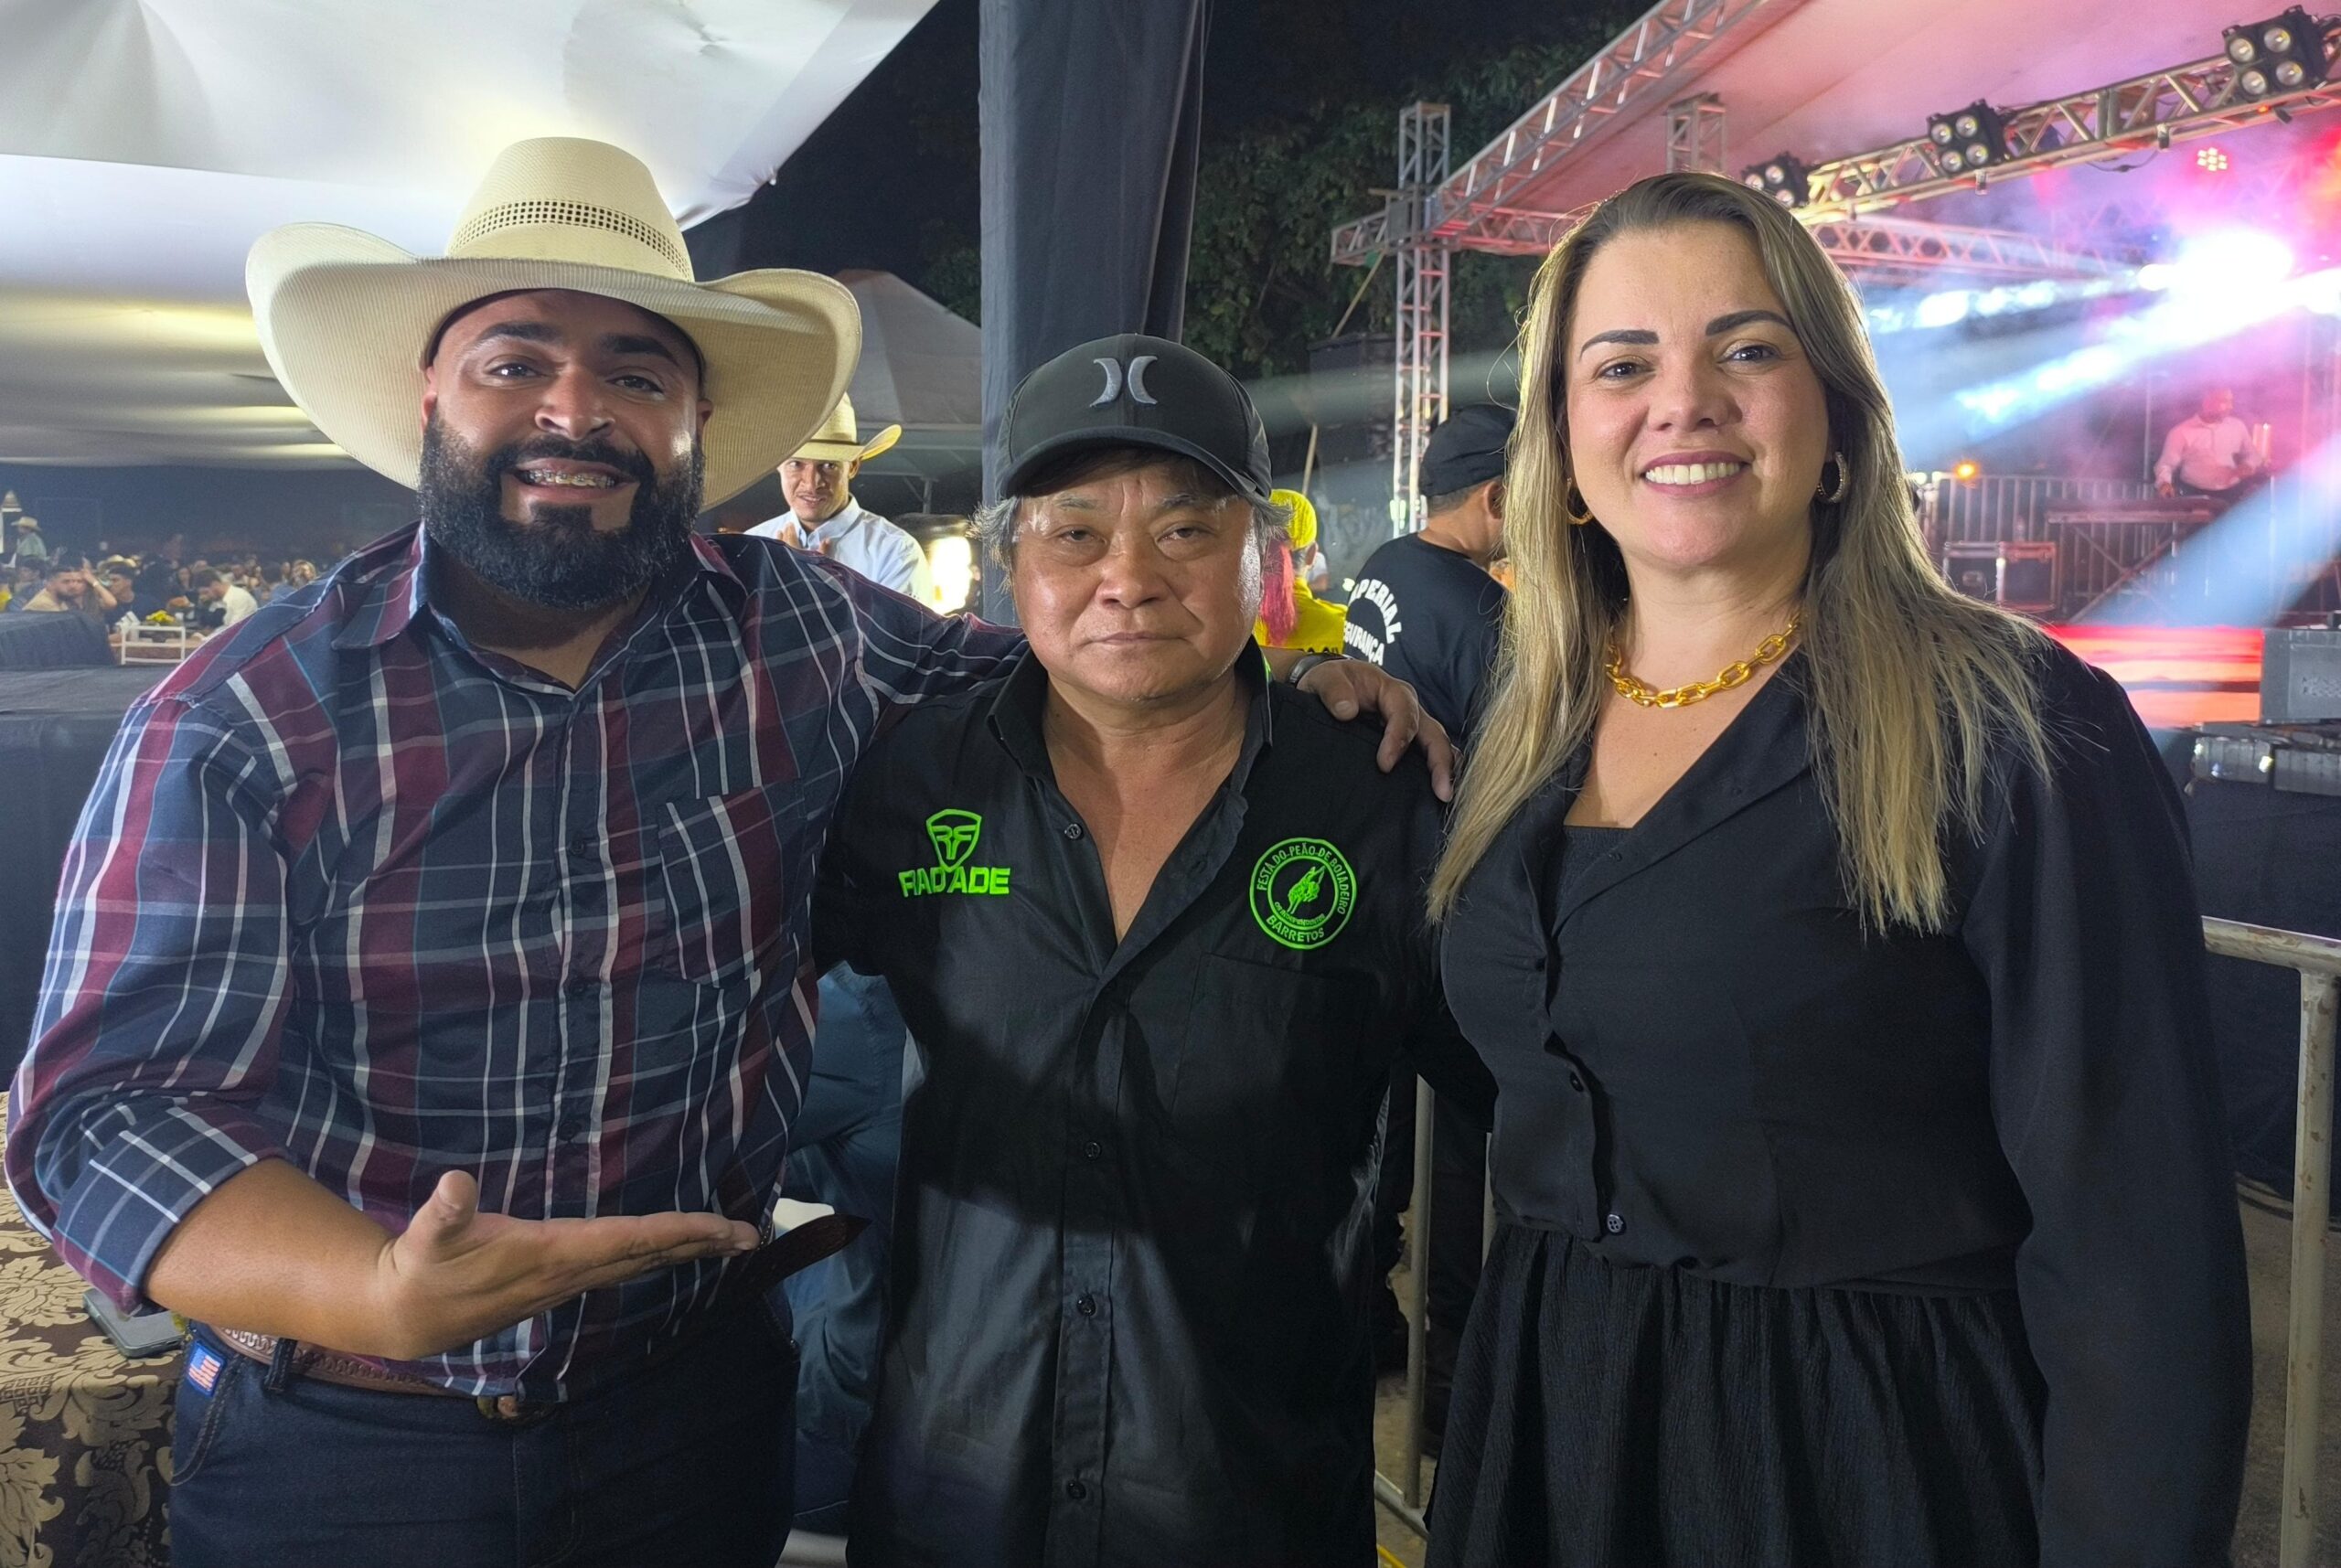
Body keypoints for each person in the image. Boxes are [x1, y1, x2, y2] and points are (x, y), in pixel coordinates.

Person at [7, 138, 1446, 1568]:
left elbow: (1085, 665)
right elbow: (99, 1116)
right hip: (358, 1441)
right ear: (429, 391)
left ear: (696, 420)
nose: (577, 409)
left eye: (636, 374)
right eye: (517, 361)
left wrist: (1307, 682)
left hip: (689, 1416)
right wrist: (377, 1288)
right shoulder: (248, 714)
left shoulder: (803, 630)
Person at [1425, 171, 2250, 1566]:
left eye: (1746, 348)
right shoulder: (1527, 720)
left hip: (1860, 1464)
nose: (1682, 401)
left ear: (1838, 422)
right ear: (1560, 444)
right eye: (1621, 366)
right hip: (1560, 1428)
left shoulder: (2012, 726)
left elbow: (2139, 1254)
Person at [817, 335, 1491, 1567]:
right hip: (955, 1492)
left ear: (1263, 558)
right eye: (1074, 533)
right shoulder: (911, 780)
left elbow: (1535, 1106)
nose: (1127, 577)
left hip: (1247, 1500)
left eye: (1184, 529)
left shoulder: (1383, 800)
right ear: (1011, 561)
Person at [1345, 402, 1513, 1428]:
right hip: (1448, 913)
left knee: (1382, 1130)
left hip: (1381, 896)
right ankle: (1448, 1382)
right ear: (1496, 497)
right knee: (1458, 1154)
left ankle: (1368, 1322)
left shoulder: (1385, 565)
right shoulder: (1488, 617)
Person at [745, 395, 930, 596]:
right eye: (796, 464)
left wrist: (806, 584)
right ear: (778, 465)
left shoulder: (895, 552)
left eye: (829, 465)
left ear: (853, 466)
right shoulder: (750, 545)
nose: (812, 483)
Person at [2156, 385, 2261, 499]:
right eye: (2224, 401)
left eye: (2231, 401)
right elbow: (2166, 464)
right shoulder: (2181, 432)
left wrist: (2248, 465)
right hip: (2194, 494)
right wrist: (2164, 483)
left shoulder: (2237, 426)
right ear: (2206, 402)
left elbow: (2253, 454)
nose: (2230, 407)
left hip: (2232, 493)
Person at [18, 553, 119, 621]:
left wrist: (93, 581)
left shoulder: (64, 598)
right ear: (49, 584)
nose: (73, 585)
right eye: (66, 581)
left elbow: (111, 603)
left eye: (79, 581)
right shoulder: (45, 602)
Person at [187, 567, 259, 629]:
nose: (204, 597)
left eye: (206, 592)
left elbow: (234, 630)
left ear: (215, 584)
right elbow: (225, 628)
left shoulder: (239, 598)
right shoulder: (223, 600)